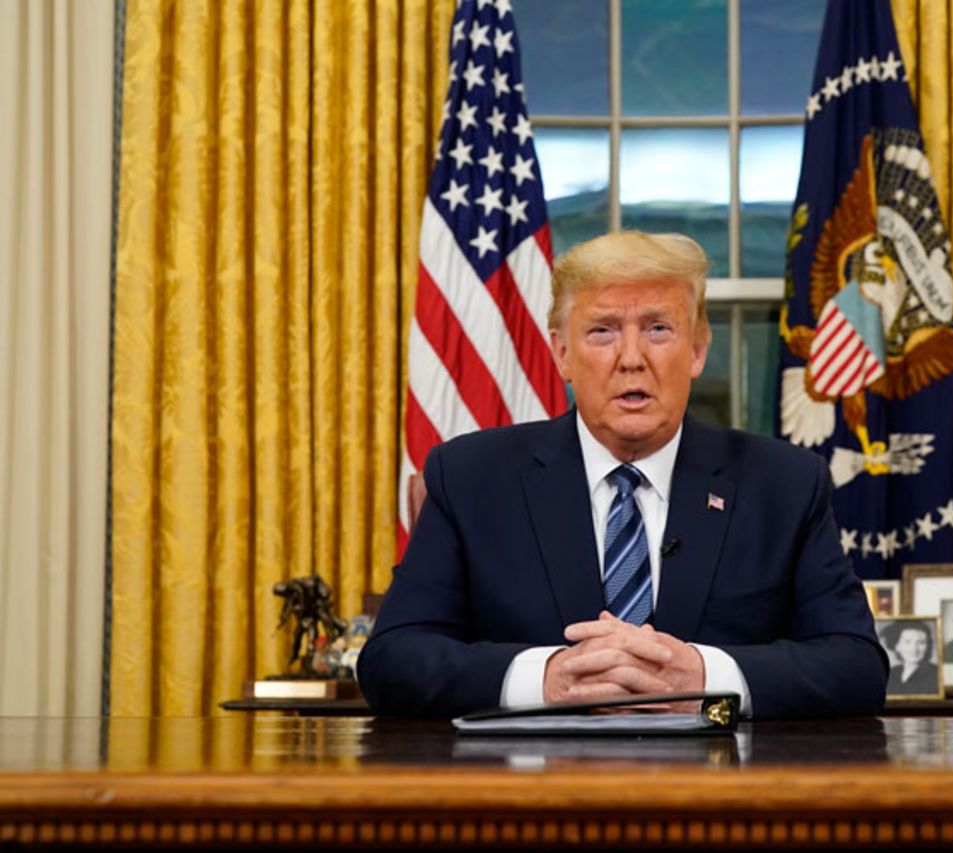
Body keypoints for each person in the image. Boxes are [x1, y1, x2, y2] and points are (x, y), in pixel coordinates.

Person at [357, 231, 888, 719]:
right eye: (602, 331)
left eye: (658, 328)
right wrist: (547, 680)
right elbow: (393, 659)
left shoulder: (785, 485)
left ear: (698, 350)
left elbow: (856, 665)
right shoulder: (470, 478)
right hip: (528, 802)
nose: (631, 358)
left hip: (720, 801)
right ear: (562, 352)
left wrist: (703, 678)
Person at [883, 622, 938, 696]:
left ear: (928, 646)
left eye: (921, 642)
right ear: (897, 646)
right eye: (907, 642)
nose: (914, 649)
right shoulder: (892, 673)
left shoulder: (935, 674)